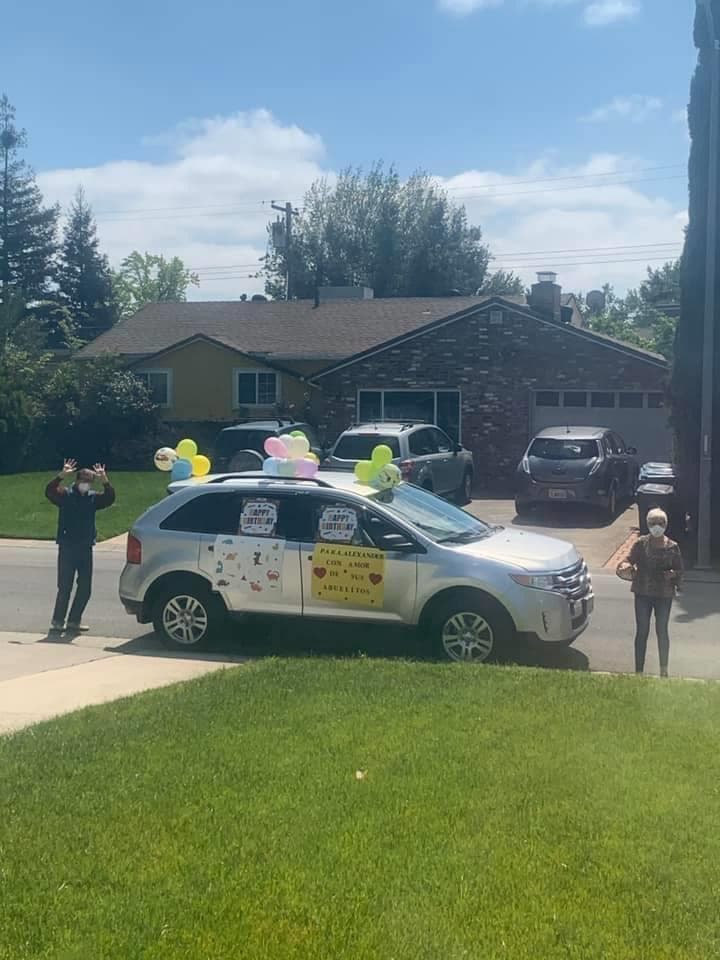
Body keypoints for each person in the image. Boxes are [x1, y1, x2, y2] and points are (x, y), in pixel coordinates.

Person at [45, 459, 116, 634]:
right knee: (65, 586)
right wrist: (61, 475)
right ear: (77, 481)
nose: (86, 485)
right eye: (84, 481)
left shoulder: (92, 498)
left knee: (85, 588)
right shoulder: (65, 495)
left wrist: (105, 480)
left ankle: (74, 621)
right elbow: (49, 492)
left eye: (89, 482)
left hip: (85, 547)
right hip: (68, 547)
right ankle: (57, 621)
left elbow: (109, 499)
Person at [617, 507, 683, 677]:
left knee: (662, 631)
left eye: (660, 523)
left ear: (665, 525)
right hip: (642, 593)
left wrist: (673, 574)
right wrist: (625, 566)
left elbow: (680, 570)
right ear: (648, 524)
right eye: (653, 523)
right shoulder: (640, 544)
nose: (657, 526)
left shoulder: (673, 547)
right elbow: (628, 560)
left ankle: (664, 670)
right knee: (642, 631)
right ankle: (639, 671)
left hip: (664, 595)